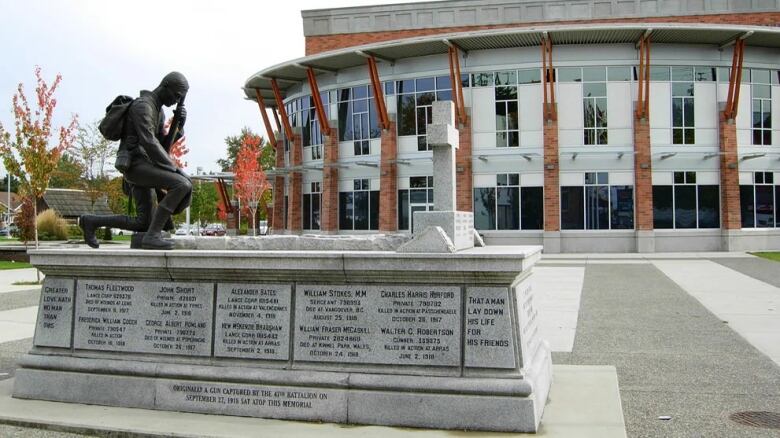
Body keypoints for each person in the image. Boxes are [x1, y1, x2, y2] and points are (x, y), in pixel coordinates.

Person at [80, 72, 192, 250]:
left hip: (146, 164)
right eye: (176, 96)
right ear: (166, 86)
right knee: (182, 184)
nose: (177, 101)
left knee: (143, 221)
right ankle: (152, 236)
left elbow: (161, 146)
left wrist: (177, 127)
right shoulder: (143, 106)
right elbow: (149, 142)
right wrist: (174, 169)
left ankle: (90, 221)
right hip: (135, 165)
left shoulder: (158, 111)